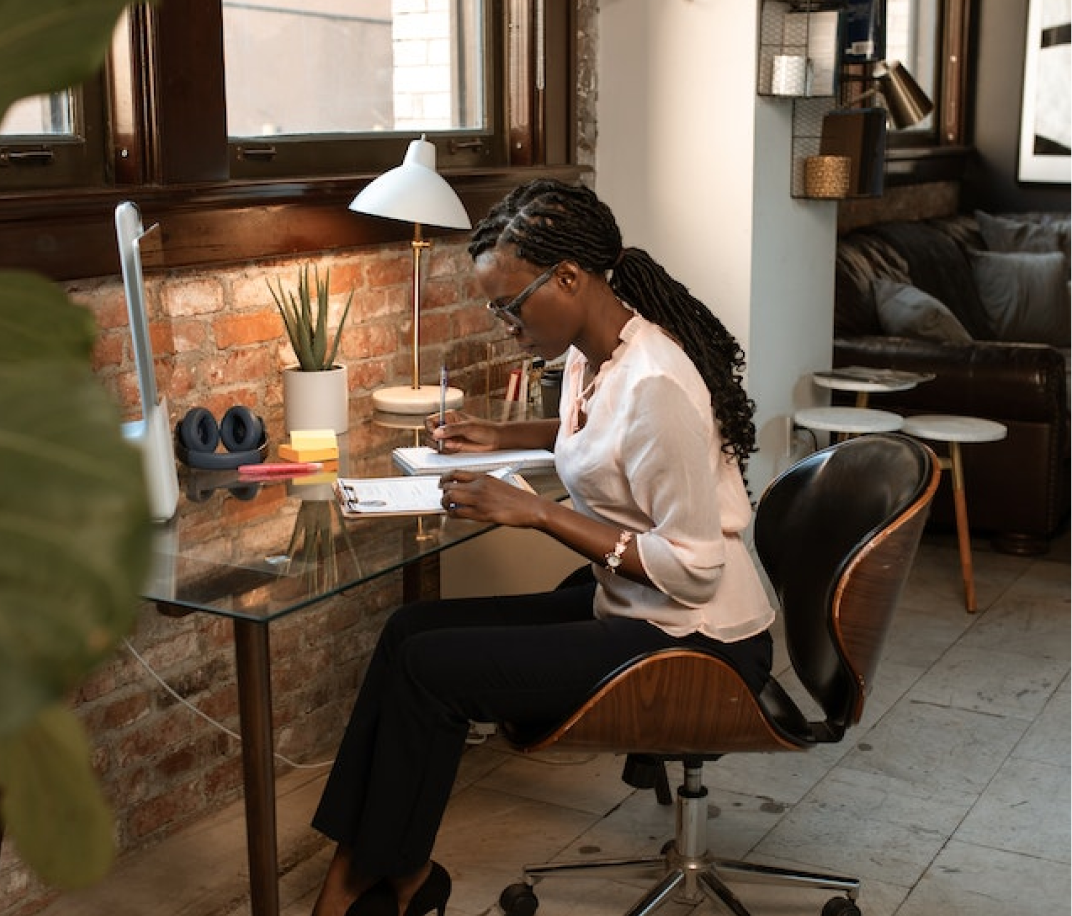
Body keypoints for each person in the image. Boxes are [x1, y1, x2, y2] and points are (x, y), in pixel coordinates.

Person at [310, 178, 776, 916]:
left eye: (509, 305)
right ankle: (382, 872)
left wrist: (538, 515)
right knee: (408, 631)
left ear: (568, 278)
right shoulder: (598, 353)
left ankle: (375, 884)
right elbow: (603, 440)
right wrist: (505, 437)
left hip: (698, 641)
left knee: (433, 672)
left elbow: (694, 569)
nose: (502, 322)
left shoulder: (656, 381)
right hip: (636, 608)